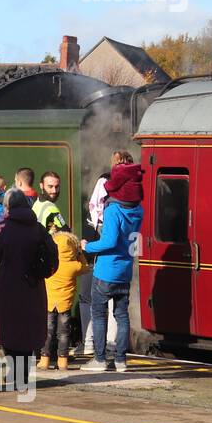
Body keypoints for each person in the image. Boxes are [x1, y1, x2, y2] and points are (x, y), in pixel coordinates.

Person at [0, 189, 57, 391]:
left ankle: (13, 374)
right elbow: (52, 255)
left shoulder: (5, 228)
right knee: (28, 331)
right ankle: (24, 377)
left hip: (9, 286)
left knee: (9, 330)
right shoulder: (38, 228)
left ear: (8, 207)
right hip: (33, 286)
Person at [81, 160, 144, 373]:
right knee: (122, 315)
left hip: (106, 270)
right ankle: (120, 360)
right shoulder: (139, 210)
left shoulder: (113, 210)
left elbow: (108, 241)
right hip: (125, 271)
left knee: (99, 313)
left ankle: (99, 359)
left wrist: (87, 246)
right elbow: (135, 241)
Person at [41, 227, 86, 370]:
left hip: (49, 303)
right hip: (65, 305)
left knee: (48, 332)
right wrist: (79, 253)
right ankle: (63, 361)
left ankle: (44, 360)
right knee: (64, 333)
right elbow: (85, 267)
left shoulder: (51, 263)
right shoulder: (74, 266)